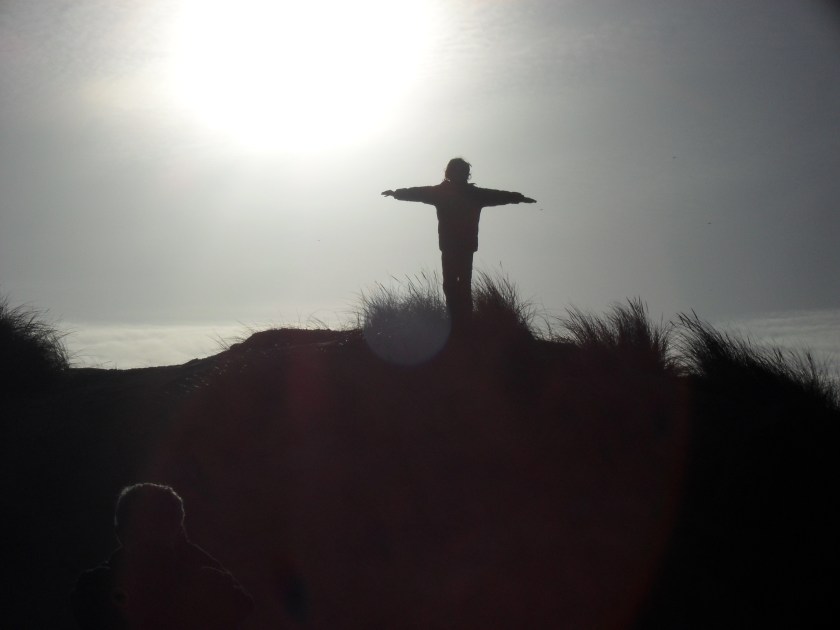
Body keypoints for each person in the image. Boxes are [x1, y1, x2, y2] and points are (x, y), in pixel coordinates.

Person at [71, 483, 253, 629]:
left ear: (120, 531)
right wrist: (185, 547)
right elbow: (243, 605)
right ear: (177, 530)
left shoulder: (95, 587)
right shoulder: (208, 586)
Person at [382, 158, 536, 327]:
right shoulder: (443, 193)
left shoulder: (473, 194)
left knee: (462, 284)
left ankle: (464, 323)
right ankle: (455, 323)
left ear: (465, 174)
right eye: (457, 171)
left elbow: (498, 196)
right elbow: (418, 193)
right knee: (451, 284)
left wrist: (518, 198)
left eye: (462, 171)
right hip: (451, 246)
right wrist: (396, 193)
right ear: (450, 173)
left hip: (464, 246)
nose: (459, 174)